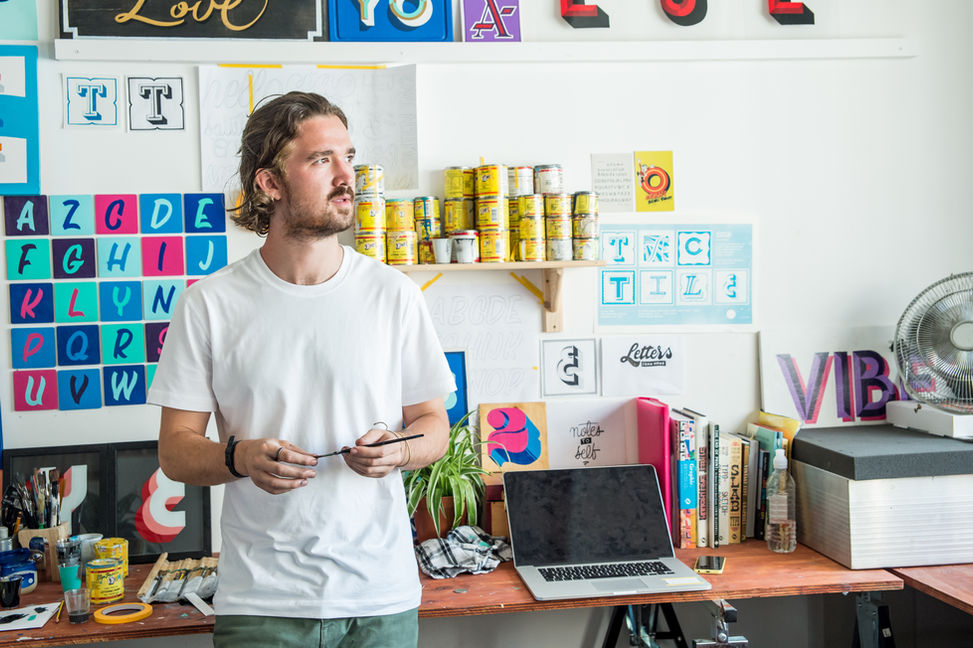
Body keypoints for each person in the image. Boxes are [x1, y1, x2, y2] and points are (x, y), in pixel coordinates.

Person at [148, 91, 455, 648]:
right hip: (262, 603)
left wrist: (400, 450)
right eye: (321, 159)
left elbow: (434, 426)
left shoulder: (395, 295)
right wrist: (239, 457)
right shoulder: (208, 304)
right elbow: (175, 451)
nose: (346, 176)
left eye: (348, 157)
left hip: (379, 598)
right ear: (270, 183)